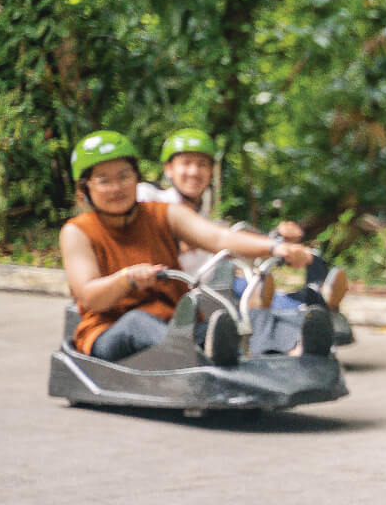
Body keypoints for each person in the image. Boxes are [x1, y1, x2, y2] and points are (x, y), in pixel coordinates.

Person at [60, 130, 333, 365]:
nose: (117, 187)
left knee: (248, 317)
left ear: (136, 178)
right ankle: (209, 358)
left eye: (124, 176)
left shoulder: (164, 214)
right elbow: (90, 297)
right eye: (104, 180)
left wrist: (275, 247)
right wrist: (126, 279)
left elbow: (219, 238)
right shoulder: (77, 231)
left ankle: (295, 349)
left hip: (175, 325)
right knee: (138, 322)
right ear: (84, 190)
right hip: (108, 333)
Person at [136, 127, 348, 312]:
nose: (194, 171)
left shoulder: (206, 217)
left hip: (212, 287)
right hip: (174, 295)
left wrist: (278, 241)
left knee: (244, 284)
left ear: (211, 171)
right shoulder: (150, 198)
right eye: (186, 163)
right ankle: (282, 305)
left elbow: (228, 241)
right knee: (235, 290)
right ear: (169, 169)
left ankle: (314, 301)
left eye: (202, 164)